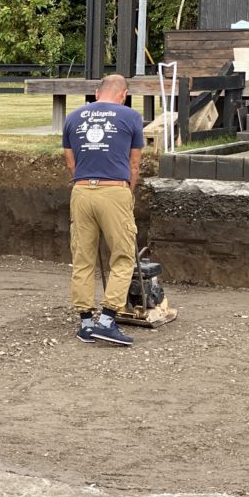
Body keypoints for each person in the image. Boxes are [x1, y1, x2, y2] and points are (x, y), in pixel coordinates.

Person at [62, 74, 144, 346]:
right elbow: (134, 164)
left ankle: (86, 322)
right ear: (123, 95)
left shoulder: (73, 117)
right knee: (122, 256)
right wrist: (126, 192)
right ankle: (108, 320)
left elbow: (70, 161)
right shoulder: (130, 116)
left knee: (83, 257)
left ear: (97, 93)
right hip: (114, 190)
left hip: (82, 190)